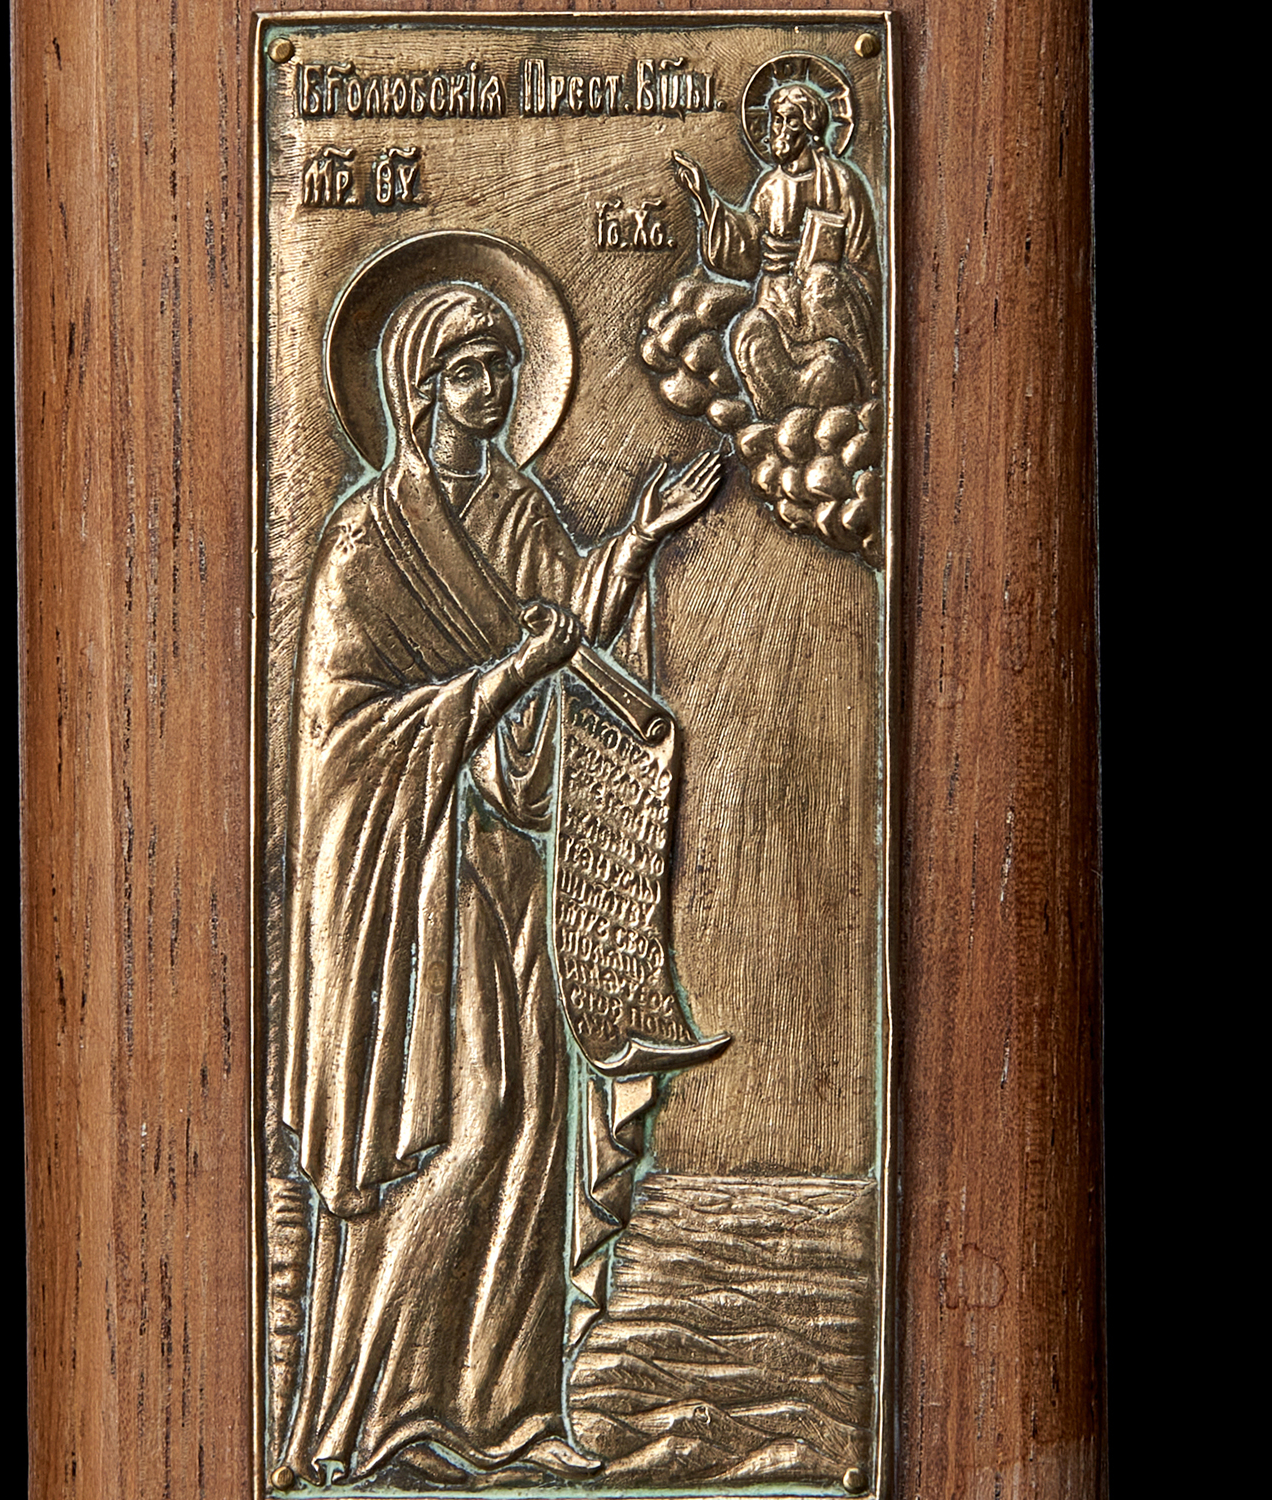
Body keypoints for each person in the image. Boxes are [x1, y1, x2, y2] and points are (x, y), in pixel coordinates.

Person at [279, 283, 721, 1483]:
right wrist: (498, 681)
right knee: (459, 1130)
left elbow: (570, 637)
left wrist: (635, 540)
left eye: (502, 369)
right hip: (417, 883)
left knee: (528, 1127)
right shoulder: (368, 539)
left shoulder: (521, 512)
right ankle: (373, 1416)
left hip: (513, 874)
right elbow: (343, 733)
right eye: (468, 371)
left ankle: (504, 1414)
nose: (491, 391)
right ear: (419, 389)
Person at [672, 84, 881, 420]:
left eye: (791, 121)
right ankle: (778, 423)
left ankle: (864, 391)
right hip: (777, 302)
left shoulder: (842, 182)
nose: (780, 130)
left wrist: (813, 265)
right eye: (776, 120)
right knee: (749, 332)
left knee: (822, 283)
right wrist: (705, 198)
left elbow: (862, 262)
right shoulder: (770, 186)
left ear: (810, 128)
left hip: (824, 308)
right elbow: (746, 250)